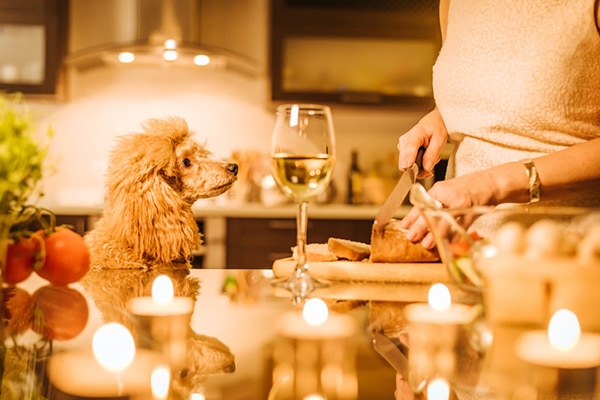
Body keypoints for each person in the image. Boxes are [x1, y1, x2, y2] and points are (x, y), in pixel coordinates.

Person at [398, 0, 600, 250]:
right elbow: (494, 94)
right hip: (465, 252)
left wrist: (493, 184)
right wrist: (440, 118)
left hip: (571, 254)